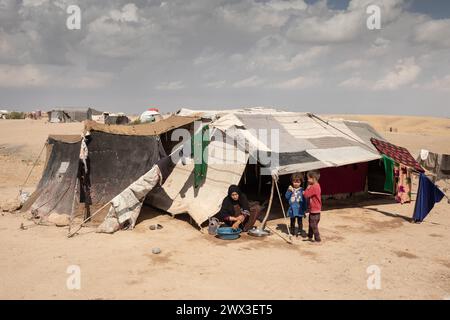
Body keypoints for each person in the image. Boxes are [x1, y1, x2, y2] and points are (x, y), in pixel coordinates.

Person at [285, 173, 307, 237]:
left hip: (300, 209)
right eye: (294, 182)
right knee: (292, 221)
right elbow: (286, 197)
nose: (296, 183)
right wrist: (289, 191)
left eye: (298, 182)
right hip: (292, 209)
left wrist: (305, 209)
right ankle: (292, 232)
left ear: (301, 182)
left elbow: (304, 201)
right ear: (292, 181)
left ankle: (300, 231)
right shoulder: (290, 189)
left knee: (300, 221)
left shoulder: (302, 191)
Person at [303, 170, 322, 242]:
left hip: (315, 210)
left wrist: (307, 188)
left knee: (313, 225)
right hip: (315, 209)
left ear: (313, 178)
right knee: (311, 223)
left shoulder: (314, 187)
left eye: (309, 178)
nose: (307, 180)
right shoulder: (317, 185)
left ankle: (317, 239)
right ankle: (310, 236)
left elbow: (306, 195)